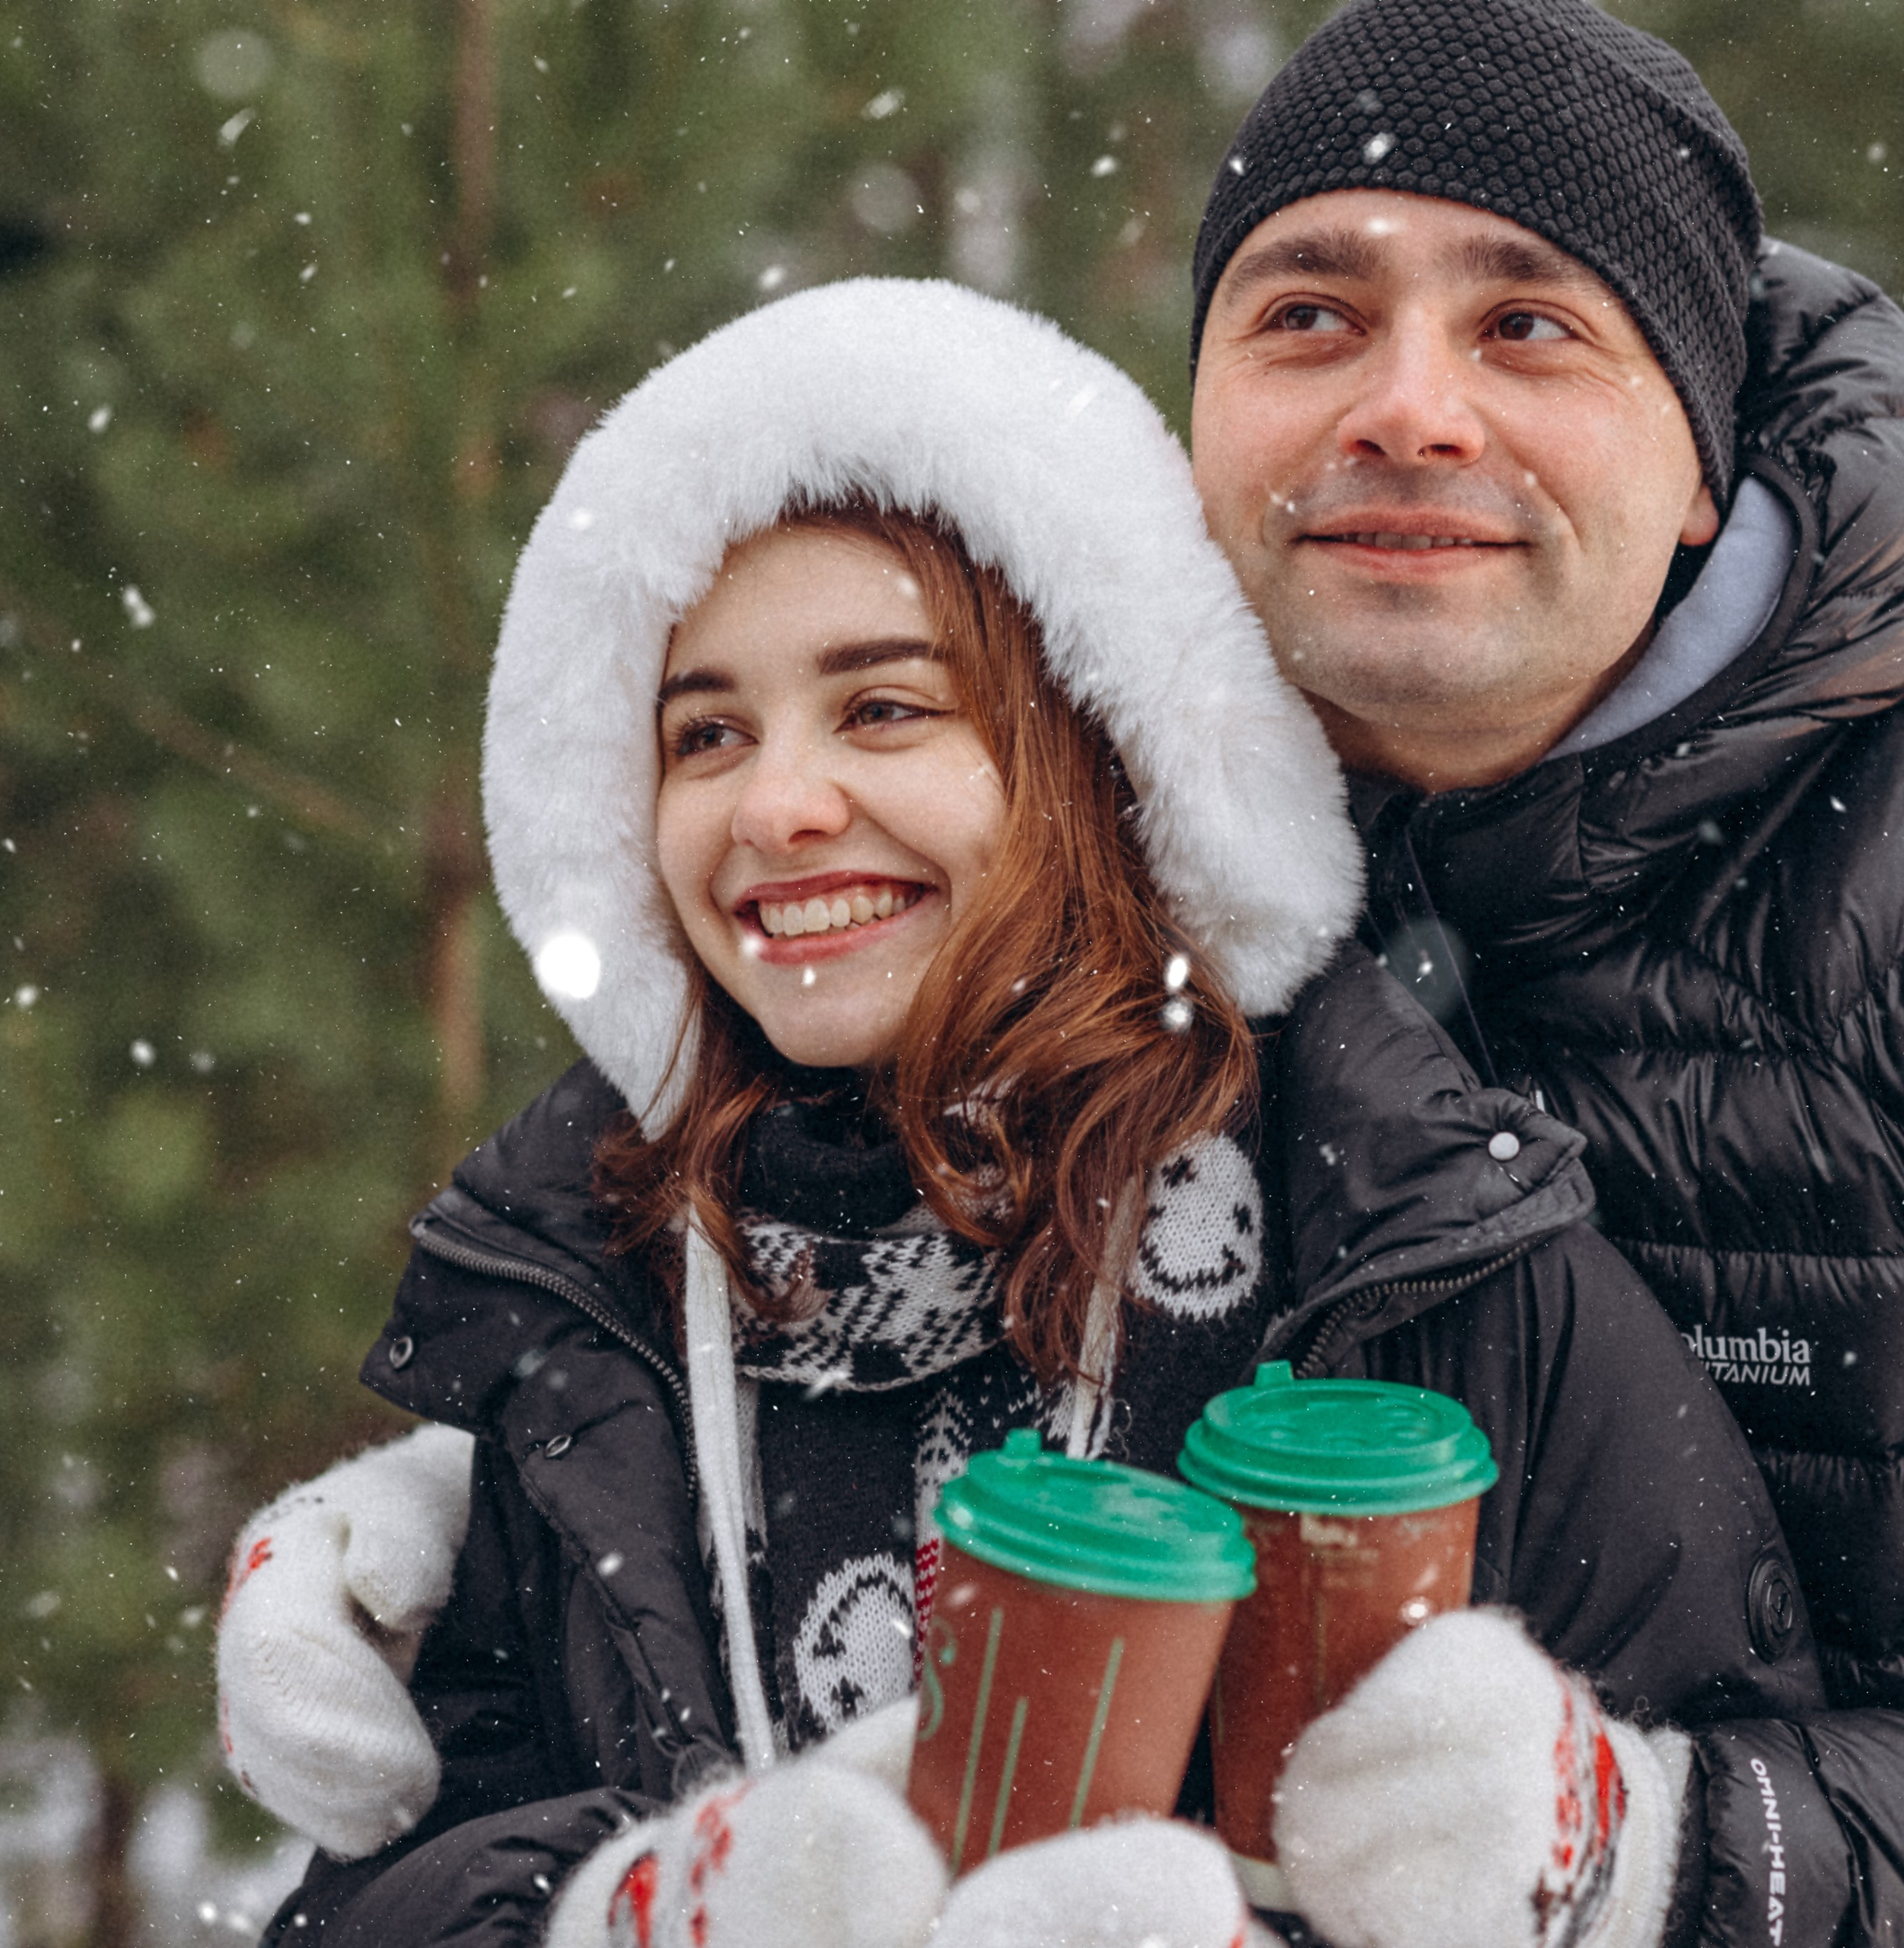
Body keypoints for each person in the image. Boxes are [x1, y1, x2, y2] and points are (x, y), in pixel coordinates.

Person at [217, 278, 1817, 1948]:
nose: (775, 801)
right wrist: (603, 1916)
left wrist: (1583, 1862)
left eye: (884, 704)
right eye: (703, 732)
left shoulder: (1410, 1252)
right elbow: (366, 1898)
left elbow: (1768, 1828)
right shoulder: (602, 1291)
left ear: (1094, 749)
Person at [1186, 0, 1904, 1940]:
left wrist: (1666, 1846)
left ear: (1696, 463)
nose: (1405, 407)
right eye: (1306, 314)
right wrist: (492, 1532)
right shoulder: (1035, 855)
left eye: (1525, 324)